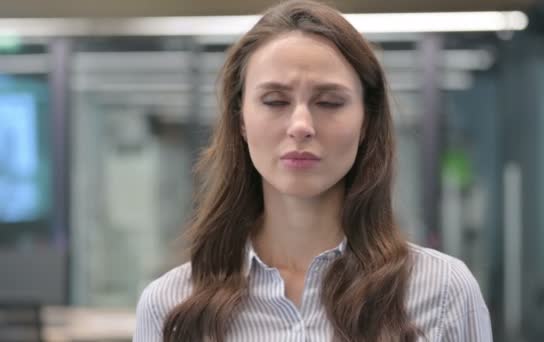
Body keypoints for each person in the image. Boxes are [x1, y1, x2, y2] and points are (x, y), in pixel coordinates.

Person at [133, 0, 492, 341]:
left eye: (329, 102)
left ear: (366, 120)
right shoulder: (171, 308)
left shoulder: (444, 293)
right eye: (275, 101)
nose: (301, 125)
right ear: (240, 119)